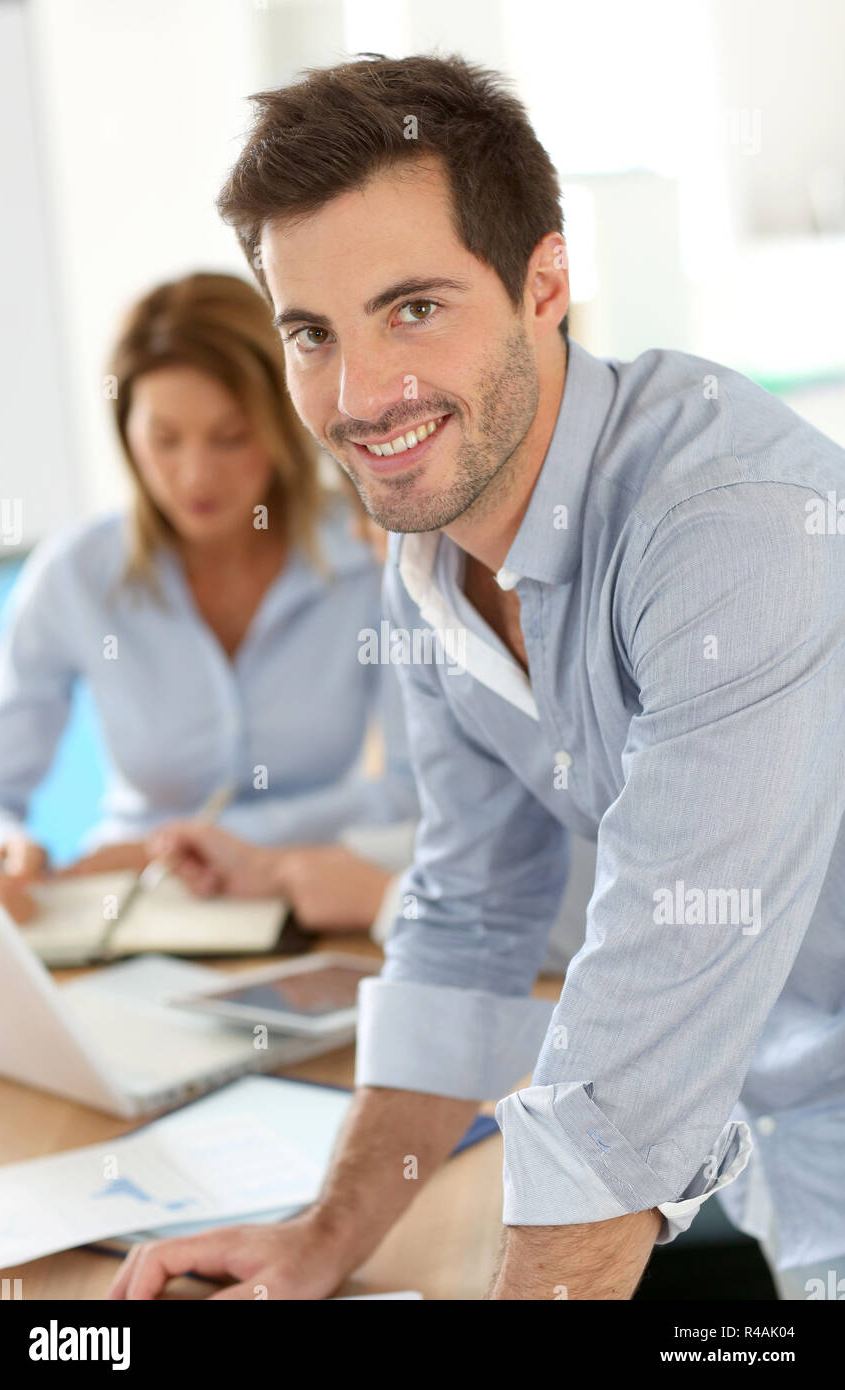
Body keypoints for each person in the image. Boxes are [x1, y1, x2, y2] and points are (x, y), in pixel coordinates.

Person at [108, 54, 845, 1302]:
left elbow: (642, 1027)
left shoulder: (732, 528)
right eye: (310, 333)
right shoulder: (429, 549)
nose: (358, 399)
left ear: (543, 284)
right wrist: (322, 1238)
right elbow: (468, 917)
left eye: (414, 308)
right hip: (793, 1121)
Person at [0, 271, 418, 933]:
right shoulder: (75, 575)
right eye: (165, 439)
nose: (194, 476)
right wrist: (0, 847)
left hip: (319, 902)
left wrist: (194, 844)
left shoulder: (370, 555)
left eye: (230, 436)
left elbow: (412, 791)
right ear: (126, 429)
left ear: (284, 421)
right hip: (127, 910)